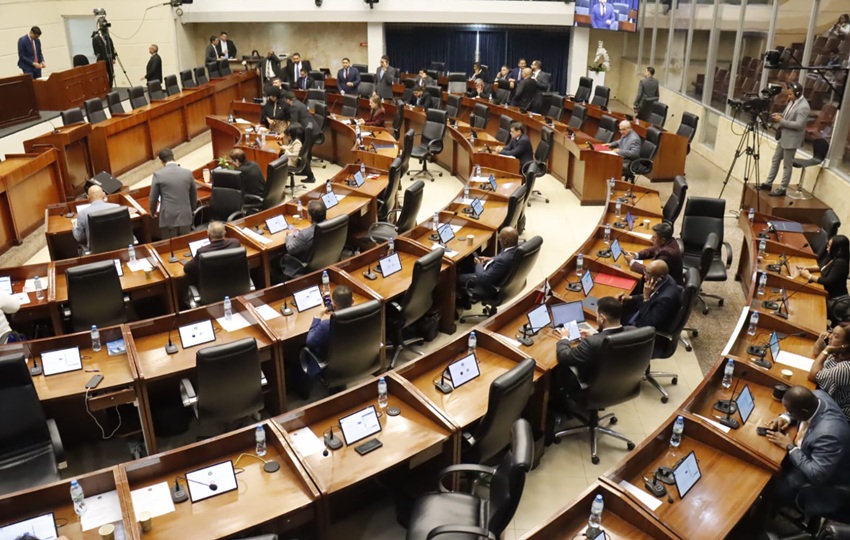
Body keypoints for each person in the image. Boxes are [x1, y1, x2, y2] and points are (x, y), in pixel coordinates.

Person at [764, 386, 850, 514]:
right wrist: (784, 418)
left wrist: (790, 447)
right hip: (812, 455)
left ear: (804, 412)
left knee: (769, 486)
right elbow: (798, 408)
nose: (787, 412)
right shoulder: (817, 396)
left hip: (824, 481)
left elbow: (817, 475)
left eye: (789, 411)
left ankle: (762, 515)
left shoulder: (829, 435)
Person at [554, 296, 633, 393]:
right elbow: (606, 339)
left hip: (591, 387)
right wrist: (595, 335)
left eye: (597, 316)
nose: (596, 318)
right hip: (619, 381)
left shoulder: (591, 343)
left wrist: (564, 337)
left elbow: (564, 357)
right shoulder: (632, 331)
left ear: (602, 318)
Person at [757, 82, 810, 197]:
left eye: (790, 94)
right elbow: (789, 115)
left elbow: (799, 125)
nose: (788, 96)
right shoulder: (793, 101)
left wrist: (781, 120)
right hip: (783, 136)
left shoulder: (804, 107)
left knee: (787, 165)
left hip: (791, 140)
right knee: (775, 160)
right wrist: (780, 115)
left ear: (797, 93)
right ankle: (768, 183)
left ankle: (783, 188)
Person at [457, 227, 520, 308]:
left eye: (500, 238)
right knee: (469, 259)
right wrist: (490, 259)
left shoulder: (503, 260)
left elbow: (484, 278)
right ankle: (465, 299)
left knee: (456, 278)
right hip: (493, 271)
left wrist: (478, 264)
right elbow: (501, 257)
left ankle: (460, 302)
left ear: (505, 241)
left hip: (487, 282)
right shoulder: (514, 249)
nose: (499, 240)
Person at [304, 285, 354, 377]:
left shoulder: (326, 325)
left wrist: (317, 317)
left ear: (333, 305)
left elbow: (309, 342)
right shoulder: (361, 316)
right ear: (352, 301)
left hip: (331, 370)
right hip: (354, 364)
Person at [619, 259, 680, 332]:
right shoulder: (665, 278)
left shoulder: (665, 299)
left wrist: (646, 298)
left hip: (643, 328)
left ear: (660, 278)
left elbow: (647, 324)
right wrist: (631, 297)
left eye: (648, 274)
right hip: (645, 312)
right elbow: (653, 296)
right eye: (645, 271)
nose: (645, 276)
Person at [149, 148, 198, 238]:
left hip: (168, 218)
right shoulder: (188, 173)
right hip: (185, 216)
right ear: (174, 157)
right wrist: (191, 209)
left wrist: (153, 212)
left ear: (161, 161)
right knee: (185, 243)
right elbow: (193, 195)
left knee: (170, 244)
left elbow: (153, 198)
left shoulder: (158, 175)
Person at [809, 323, 850, 419]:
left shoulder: (845, 368)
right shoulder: (840, 351)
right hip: (825, 402)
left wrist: (827, 350)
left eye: (835, 336)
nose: (830, 336)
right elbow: (817, 353)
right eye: (831, 332)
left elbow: (813, 376)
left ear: (846, 345)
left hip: (837, 415)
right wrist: (821, 340)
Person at [624, 222, 684, 286]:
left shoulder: (667, 254)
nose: (651, 239)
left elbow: (650, 272)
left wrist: (631, 262)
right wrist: (636, 255)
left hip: (667, 286)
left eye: (654, 237)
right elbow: (653, 249)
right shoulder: (669, 241)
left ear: (663, 240)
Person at [281, 199, 326, 279]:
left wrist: (290, 235)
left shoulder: (305, 235)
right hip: (325, 260)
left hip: (306, 265)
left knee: (276, 260)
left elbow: (291, 249)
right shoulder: (331, 224)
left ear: (310, 217)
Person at [798, 235, 850, 300]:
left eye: (829, 246)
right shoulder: (833, 256)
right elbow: (822, 266)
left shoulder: (841, 263)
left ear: (838, 249)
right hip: (827, 292)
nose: (827, 248)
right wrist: (807, 268)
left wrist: (809, 276)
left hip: (835, 299)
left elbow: (827, 281)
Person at [92, 18, 117, 88]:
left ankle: (110, 86)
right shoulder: (96, 39)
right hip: (102, 60)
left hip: (109, 59)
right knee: (103, 75)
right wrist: (100, 60)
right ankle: (104, 87)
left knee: (111, 73)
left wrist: (113, 58)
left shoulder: (108, 38)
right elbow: (96, 51)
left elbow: (111, 47)